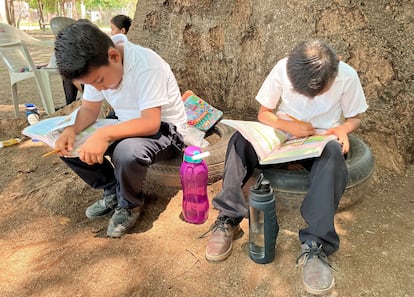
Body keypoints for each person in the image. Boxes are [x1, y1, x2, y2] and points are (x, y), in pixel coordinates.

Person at [204, 40, 368, 295]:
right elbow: (264, 113)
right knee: (239, 140)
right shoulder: (283, 67)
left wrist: (344, 129)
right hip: (284, 133)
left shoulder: (346, 76)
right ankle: (228, 218)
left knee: (334, 153)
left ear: (332, 75)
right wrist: (291, 127)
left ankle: (316, 244)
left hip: (320, 138)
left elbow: (355, 117)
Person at [53, 21, 187, 238]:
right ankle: (113, 189)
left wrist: (103, 135)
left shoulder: (147, 64)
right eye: (91, 85)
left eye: (99, 81)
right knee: (66, 143)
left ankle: (129, 204)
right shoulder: (98, 64)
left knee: (126, 152)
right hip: (124, 120)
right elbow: (88, 109)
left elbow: (150, 122)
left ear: (114, 56)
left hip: (165, 129)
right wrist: (71, 130)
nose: (98, 89)